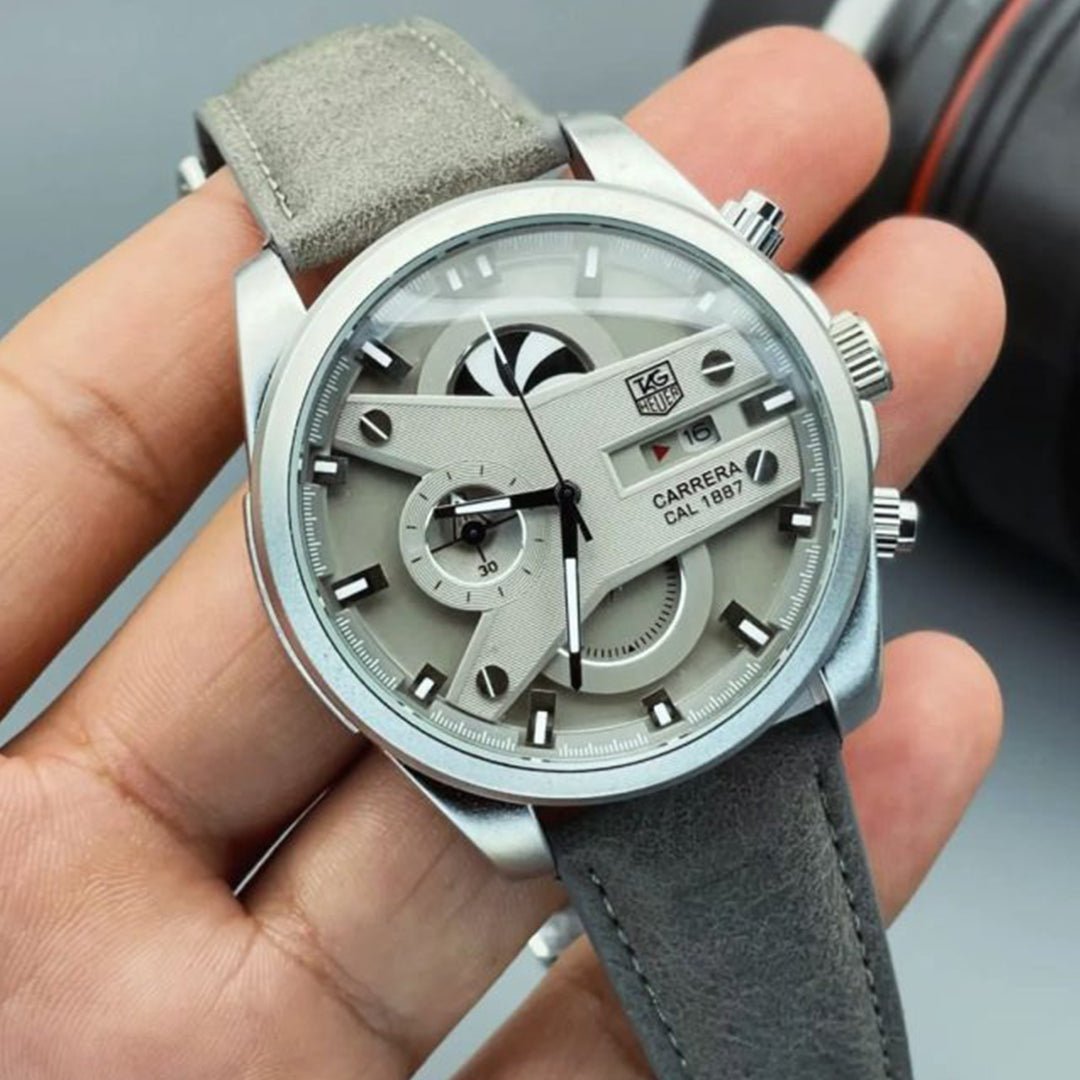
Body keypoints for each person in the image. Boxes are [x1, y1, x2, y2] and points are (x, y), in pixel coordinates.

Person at [0, 26, 1004, 1078]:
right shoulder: (299, 328)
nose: (561, 492)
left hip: (744, 683)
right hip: (573, 730)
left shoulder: (602, 196)